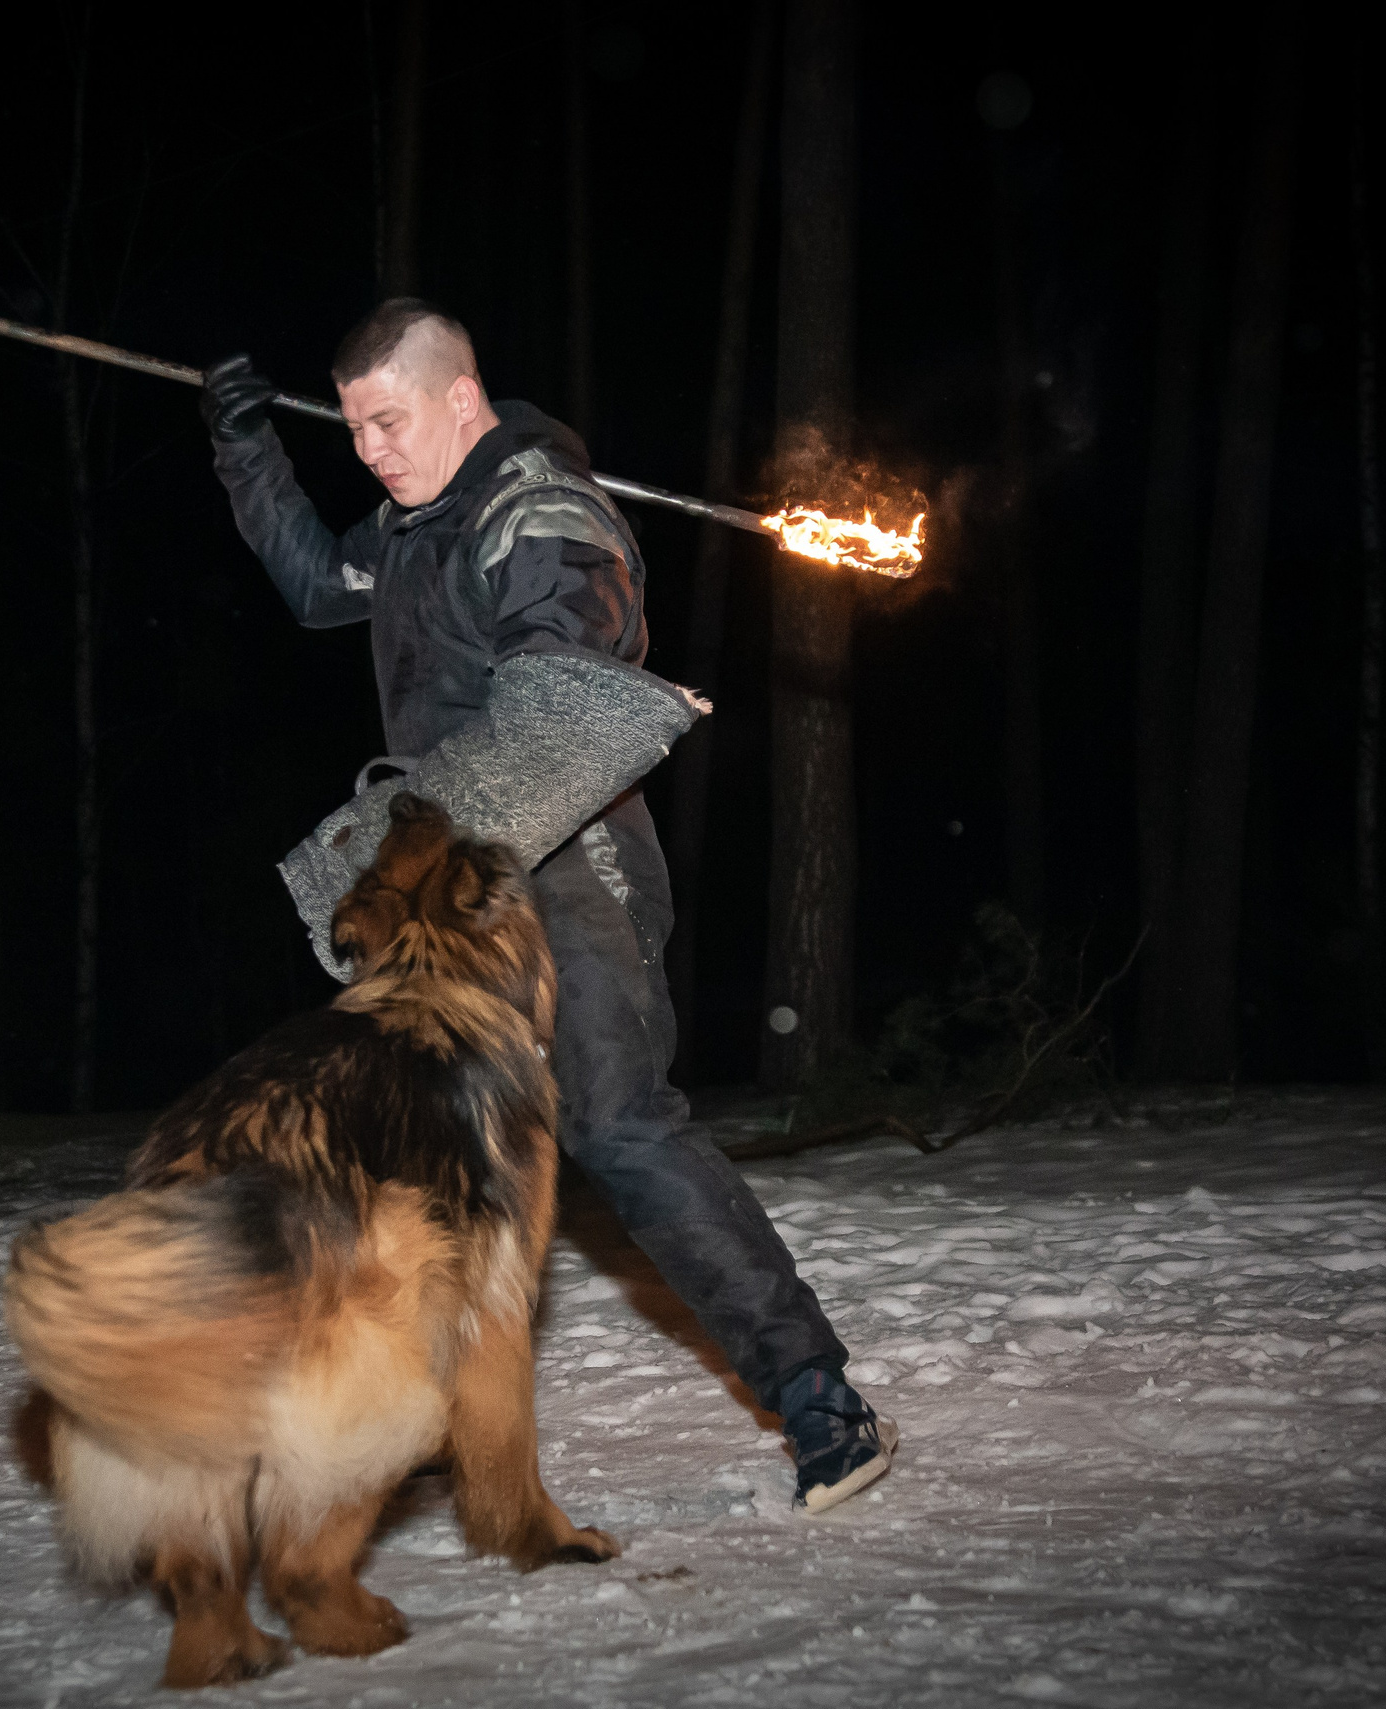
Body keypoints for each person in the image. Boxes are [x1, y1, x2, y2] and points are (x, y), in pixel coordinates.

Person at [200, 299, 897, 1514]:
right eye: (353, 426)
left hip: (569, 857)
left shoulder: (542, 514)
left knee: (618, 1125)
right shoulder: (414, 525)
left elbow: (561, 704)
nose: (368, 449)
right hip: (448, 875)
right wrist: (246, 448)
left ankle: (816, 1396)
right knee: (402, 1133)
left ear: (459, 397)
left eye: (387, 419)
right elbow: (319, 586)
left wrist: (405, 841)